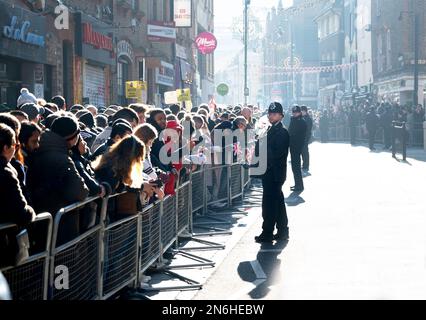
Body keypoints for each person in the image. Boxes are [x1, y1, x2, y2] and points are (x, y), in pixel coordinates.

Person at [0, 123, 36, 267]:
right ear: (5, 148)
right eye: (14, 145)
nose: (16, 150)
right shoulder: (6, 173)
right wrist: (31, 211)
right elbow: (21, 211)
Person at [254, 102, 290, 243]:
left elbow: (277, 154)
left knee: (269, 204)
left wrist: (260, 159)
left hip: (274, 173)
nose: (271, 116)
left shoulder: (282, 131)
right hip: (269, 172)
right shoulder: (269, 129)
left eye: (274, 114)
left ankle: (267, 232)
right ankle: (282, 231)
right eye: (269, 113)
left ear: (281, 116)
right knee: (278, 203)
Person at [288, 105, 307, 192]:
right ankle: (297, 184)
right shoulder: (294, 120)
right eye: (294, 112)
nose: (295, 114)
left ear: (299, 112)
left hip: (297, 146)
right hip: (293, 145)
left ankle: (299, 185)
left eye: (296, 112)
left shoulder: (301, 121)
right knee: (294, 167)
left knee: (296, 167)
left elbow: (295, 133)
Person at [301, 105, 312, 173]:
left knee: (305, 152)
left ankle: (306, 165)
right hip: (301, 137)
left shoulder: (308, 118)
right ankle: (304, 164)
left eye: (301, 110)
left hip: (305, 137)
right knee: (303, 152)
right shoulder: (302, 117)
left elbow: (308, 129)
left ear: (304, 111)